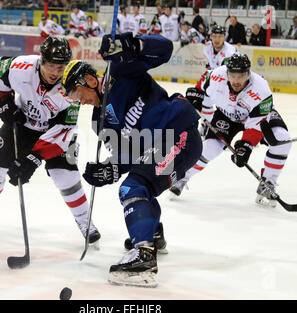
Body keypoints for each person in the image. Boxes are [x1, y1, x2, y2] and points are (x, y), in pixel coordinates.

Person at [62, 32, 202, 287]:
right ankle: (152, 235)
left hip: (178, 131)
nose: (79, 101)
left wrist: (135, 44)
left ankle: (144, 258)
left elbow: (165, 50)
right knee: (139, 186)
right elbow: (128, 155)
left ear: (91, 79)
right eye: (74, 97)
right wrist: (108, 170)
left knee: (132, 188)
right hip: (160, 147)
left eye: (77, 92)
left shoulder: (121, 69)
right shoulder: (98, 120)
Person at [0, 36, 101, 245]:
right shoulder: (21, 67)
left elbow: (64, 129)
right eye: (51, 66)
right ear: (41, 60)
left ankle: (85, 222)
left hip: (58, 133)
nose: (55, 73)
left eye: (60, 68)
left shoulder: (72, 85)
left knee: (65, 175)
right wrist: (3, 102)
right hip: (23, 123)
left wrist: (33, 159)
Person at [169, 54, 292, 208]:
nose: (236, 80)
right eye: (232, 75)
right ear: (226, 73)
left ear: (248, 73)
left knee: (282, 140)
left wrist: (245, 147)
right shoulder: (215, 76)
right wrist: (197, 96)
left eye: (241, 76)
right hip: (226, 115)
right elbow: (202, 87)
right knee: (209, 149)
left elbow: (256, 125)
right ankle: (182, 176)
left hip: (256, 116)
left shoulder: (261, 89)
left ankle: (268, 182)